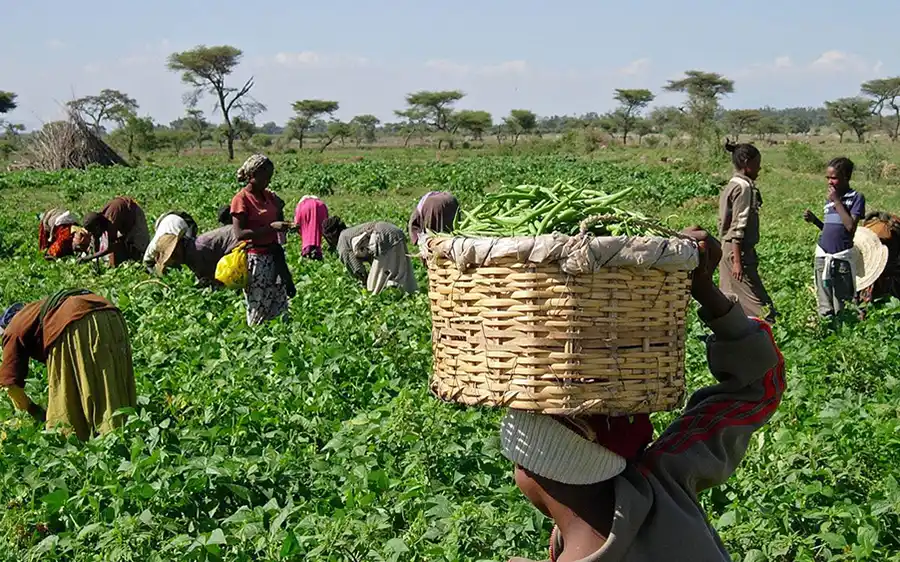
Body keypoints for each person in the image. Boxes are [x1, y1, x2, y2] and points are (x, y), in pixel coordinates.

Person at [504, 228, 785, 562]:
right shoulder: (661, 483)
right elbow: (758, 386)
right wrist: (705, 290)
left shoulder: (661, 479)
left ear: (535, 468)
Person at [0, 289, 137, 441]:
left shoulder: (12, 329)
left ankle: (92, 447)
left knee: (65, 411)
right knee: (111, 382)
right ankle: (123, 437)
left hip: (74, 320)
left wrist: (34, 410)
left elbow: (10, 386)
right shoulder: (35, 311)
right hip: (111, 314)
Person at [230, 154, 295, 325]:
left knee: (280, 303)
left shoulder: (269, 196)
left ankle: (281, 342)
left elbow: (276, 218)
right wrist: (270, 228)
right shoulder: (241, 199)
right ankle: (256, 343)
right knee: (258, 306)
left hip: (274, 256)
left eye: (270, 177)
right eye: (265, 177)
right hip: (256, 260)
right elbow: (240, 233)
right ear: (253, 176)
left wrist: (282, 215)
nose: (268, 181)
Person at [717, 142, 777, 324]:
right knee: (763, 307)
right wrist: (737, 261)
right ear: (746, 162)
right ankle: (772, 333)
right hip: (737, 252)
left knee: (730, 299)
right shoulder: (744, 188)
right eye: (757, 163)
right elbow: (738, 226)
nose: (759, 168)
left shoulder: (734, 184)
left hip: (728, 250)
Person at [804, 157, 865, 317]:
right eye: (828, 178)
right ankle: (826, 333)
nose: (830, 182)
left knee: (842, 303)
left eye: (834, 178)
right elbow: (830, 229)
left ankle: (843, 334)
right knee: (824, 304)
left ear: (846, 177)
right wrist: (815, 221)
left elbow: (850, 227)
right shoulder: (829, 200)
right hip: (823, 256)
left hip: (841, 258)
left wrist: (837, 202)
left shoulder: (856, 198)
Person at [323, 217, 418, 294]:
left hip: (383, 235)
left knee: (374, 286)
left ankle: (389, 297)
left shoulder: (342, 241)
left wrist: (364, 282)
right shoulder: (349, 232)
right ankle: (408, 292)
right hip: (394, 231)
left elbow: (356, 268)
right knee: (400, 271)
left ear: (330, 236)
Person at [150, 225, 239, 287]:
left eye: (174, 255)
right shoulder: (189, 250)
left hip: (240, 243)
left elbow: (213, 277)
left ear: (178, 246)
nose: (175, 260)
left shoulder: (197, 251)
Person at [80, 196, 151, 267]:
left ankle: (142, 264)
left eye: (94, 231)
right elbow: (96, 240)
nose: (93, 234)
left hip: (134, 215)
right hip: (122, 221)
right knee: (121, 244)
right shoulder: (99, 221)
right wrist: (96, 262)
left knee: (141, 248)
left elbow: (109, 248)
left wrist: (89, 258)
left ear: (97, 226)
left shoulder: (111, 222)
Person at [294, 195, 329, 260]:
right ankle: (317, 251)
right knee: (317, 229)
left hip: (303, 208)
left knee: (306, 231)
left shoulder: (301, 205)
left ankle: (307, 251)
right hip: (320, 207)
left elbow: (297, 223)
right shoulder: (321, 204)